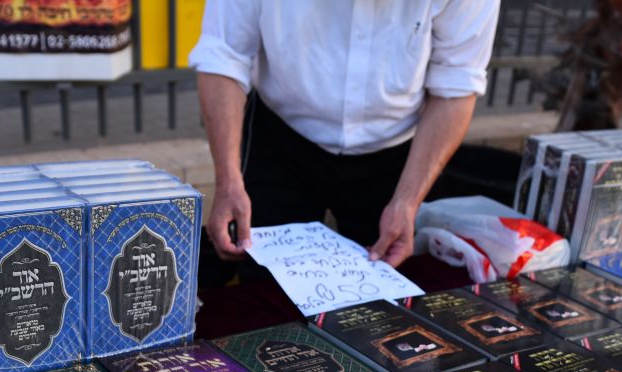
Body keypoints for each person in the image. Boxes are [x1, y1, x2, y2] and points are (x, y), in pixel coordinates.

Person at [188, 1, 500, 268]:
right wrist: (228, 181)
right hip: (281, 138)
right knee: (262, 281)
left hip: (398, 155)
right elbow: (224, 57)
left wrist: (407, 201)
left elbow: (456, 83)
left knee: (384, 292)